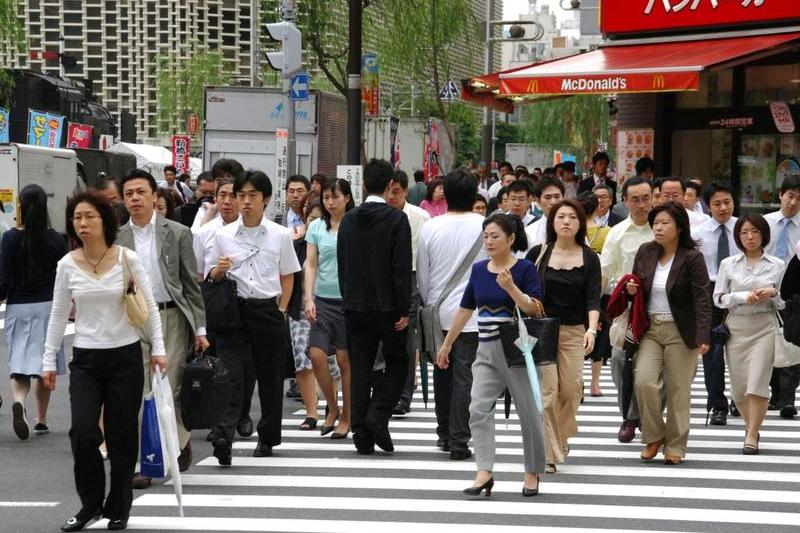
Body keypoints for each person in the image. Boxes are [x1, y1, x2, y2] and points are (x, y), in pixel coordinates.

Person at [42, 191, 165, 532]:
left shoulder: (127, 259)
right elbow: (57, 315)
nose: (82, 223)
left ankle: (119, 507)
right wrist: (47, 361)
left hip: (125, 357)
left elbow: (150, 305)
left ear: (105, 221)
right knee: (82, 431)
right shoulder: (66, 265)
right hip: (85, 359)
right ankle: (90, 505)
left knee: (122, 436)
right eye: (77, 218)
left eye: (89, 217)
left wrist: (159, 350)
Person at [437, 213, 546, 496]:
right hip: (485, 349)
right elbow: (465, 309)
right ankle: (484, 471)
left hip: (518, 350)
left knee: (529, 412)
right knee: (478, 408)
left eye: (495, 236)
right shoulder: (479, 270)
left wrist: (510, 288)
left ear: (511, 239)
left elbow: (534, 309)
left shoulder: (524, 269)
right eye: (486, 236)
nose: (489, 241)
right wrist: (447, 343)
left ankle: (532, 470)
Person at [118, 169, 209, 486]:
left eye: (140, 192)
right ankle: (146, 463)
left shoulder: (178, 233)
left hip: (171, 317)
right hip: (135, 319)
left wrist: (200, 329)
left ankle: (180, 439)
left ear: (154, 196)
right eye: (128, 193)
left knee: (169, 388)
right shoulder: (117, 238)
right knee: (142, 392)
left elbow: (190, 285)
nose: (135, 198)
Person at [208, 170, 300, 464]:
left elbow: (288, 275)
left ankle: (268, 436)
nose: (245, 202)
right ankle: (224, 435)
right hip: (233, 311)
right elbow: (211, 274)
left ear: (266, 199)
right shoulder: (222, 235)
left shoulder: (280, 234)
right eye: (241, 195)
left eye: (252, 196)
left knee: (270, 378)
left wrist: (282, 309)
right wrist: (219, 270)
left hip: (267, 310)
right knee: (231, 375)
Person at [337, 159, 412, 455]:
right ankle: (378, 414)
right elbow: (401, 269)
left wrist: (348, 299)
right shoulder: (396, 219)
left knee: (360, 367)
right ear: (389, 186)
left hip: (355, 305)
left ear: (363, 184)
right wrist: (404, 309)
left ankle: (360, 431)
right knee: (398, 361)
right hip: (388, 307)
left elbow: (343, 265)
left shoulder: (349, 219)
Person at [628, 202, 711, 465]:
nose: (659, 227)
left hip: (681, 330)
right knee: (644, 381)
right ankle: (654, 435)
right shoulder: (645, 251)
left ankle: (675, 446)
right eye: (656, 223)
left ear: (679, 227)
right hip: (651, 327)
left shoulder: (692, 257)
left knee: (678, 390)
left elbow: (702, 297)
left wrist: (703, 334)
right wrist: (632, 289)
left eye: (665, 223)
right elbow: (637, 284)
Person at [526, 200, 601, 473]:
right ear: (552, 222)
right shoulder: (538, 253)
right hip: (543, 331)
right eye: (561, 217)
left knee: (570, 391)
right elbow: (526, 293)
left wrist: (591, 329)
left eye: (572, 217)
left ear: (580, 223)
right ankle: (549, 452)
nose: (566, 221)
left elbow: (593, 299)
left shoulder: (589, 257)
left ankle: (561, 436)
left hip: (574, 332)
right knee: (548, 393)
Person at [418, 168, 486, 460]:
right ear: (474, 195)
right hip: (473, 315)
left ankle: (444, 433)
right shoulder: (486, 225)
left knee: (441, 372)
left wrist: (430, 302)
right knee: (465, 376)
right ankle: (460, 438)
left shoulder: (431, 227)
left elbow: (423, 274)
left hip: (439, 313)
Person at [0, 185, 67, 440]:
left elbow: (3, 280)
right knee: (44, 363)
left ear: (20, 206)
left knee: (19, 363)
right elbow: (63, 278)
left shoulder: (10, 238)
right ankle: (41, 419)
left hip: (18, 306)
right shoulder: (56, 239)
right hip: (48, 306)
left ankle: (18, 400)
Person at [715, 214, 783, 454]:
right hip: (736, 328)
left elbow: (786, 302)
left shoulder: (777, 264)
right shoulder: (728, 264)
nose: (750, 237)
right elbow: (719, 298)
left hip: (764, 326)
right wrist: (742, 296)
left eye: (754, 231)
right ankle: (750, 425)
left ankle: (752, 434)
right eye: (744, 232)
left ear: (764, 234)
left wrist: (773, 294)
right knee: (740, 387)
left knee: (757, 383)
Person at [599, 177, 654, 443]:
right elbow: (606, 274)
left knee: (657, 370)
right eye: (635, 199)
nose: (642, 205)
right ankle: (630, 416)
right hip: (626, 310)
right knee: (621, 361)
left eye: (646, 198)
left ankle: (642, 417)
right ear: (625, 201)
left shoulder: (664, 228)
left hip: (661, 308)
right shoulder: (617, 233)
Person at [304, 178, 355, 437]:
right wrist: (308, 298)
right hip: (322, 300)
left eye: (335, 197)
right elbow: (310, 264)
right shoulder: (316, 227)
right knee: (316, 355)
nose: (330, 202)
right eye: (326, 197)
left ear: (347, 198)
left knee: (346, 362)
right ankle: (332, 407)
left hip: (348, 302)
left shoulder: (355, 226)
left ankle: (347, 417)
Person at [691, 184, 738, 426]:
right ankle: (717, 405)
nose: (723, 207)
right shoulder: (698, 234)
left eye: (727, 202)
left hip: (739, 292)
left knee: (741, 351)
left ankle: (739, 399)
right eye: (717, 203)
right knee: (712, 353)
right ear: (708, 206)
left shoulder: (743, 229)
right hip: (708, 292)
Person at [388, 170, 432, 414]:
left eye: (397, 192)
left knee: (408, 338)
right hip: (384, 280)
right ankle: (388, 391)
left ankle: (404, 395)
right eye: (389, 192)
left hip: (412, 278)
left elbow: (426, 257)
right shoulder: (379, 214)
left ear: (405, 191)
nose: (392, 197)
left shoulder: (420, 217)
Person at [764, 175, 800, 417]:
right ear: (780, 195)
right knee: (770, 342)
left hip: (795, 292)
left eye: (799, 198)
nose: (794, 202)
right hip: (765, 290)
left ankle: (787, 399)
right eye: (790, 196)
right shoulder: (764, 223)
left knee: (792, 342)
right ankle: (776, 392)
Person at [578, 192, 611, 397]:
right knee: (598, 336)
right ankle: (595, 384)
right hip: (601, 292)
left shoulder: (575, 232)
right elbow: (607, 267)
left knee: (578, 337)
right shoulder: (607, 232)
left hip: (578, 293)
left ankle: (579, 380)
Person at [192, 159, 245, 232]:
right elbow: (196, 238)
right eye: (219, 181)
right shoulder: (206, 208)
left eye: (229, 180)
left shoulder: (246, 208)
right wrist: (210, 212)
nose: (224, 184)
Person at [525, 177, 565, 251]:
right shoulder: (529, 233)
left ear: (563, 198)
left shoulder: (574, 229)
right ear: (538, 201)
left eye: (557, 197)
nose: (553, 202)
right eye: (547, 197)